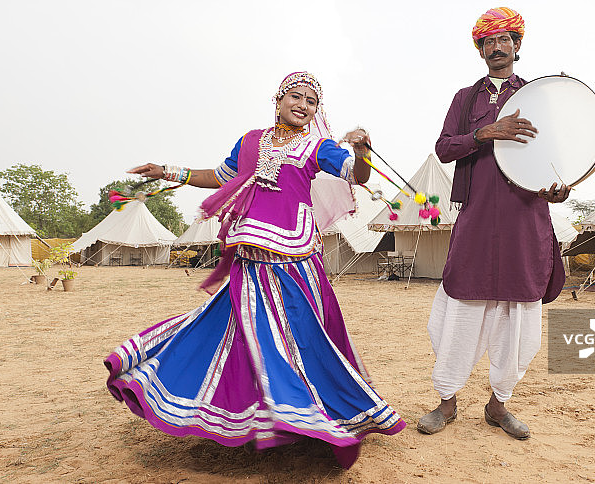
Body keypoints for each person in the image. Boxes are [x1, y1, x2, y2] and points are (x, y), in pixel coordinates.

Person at [104, 71, 405, 469]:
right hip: (250, 260)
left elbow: (356, 175)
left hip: (294, 263)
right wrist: (168, 171)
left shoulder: (318, 146)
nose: (302, 105)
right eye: (295, 97)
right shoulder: (250, 141)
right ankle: (259, 420)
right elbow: (219, 176)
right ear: (278, 101)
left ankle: (309, 416)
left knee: (302, 342)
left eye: (311, 101)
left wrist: (362, 150)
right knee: (245, 341)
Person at [417, 7, 569, 439]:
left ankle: (499, 406)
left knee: (518, 319)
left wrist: (559, 189)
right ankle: (447, 402)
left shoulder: (538, 96)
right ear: (480, 49)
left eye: (504, 39)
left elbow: (557, 158)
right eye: (488, 41)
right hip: (477, 216)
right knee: (460, 311)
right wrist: (486, 132)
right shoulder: (466, 99)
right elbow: (444, 148)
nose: (497, 47)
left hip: (526, 219)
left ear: (517, 45)